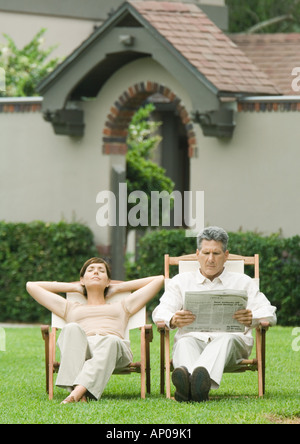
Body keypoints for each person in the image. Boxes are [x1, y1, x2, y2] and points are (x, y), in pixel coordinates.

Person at [152, 226, 277, 402]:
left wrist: (253, 317)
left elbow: (270, 313)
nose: (210, 259)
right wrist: (172, 319)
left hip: (231, 346)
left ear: (226, 255)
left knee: (225, 339)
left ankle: (190, 386)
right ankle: (194, 389)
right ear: (197, 254)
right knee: (184, 342)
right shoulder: (180, 282)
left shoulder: (242, 282)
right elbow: (159, 312)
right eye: (206, 253)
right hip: (195, 340)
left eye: (216, 254)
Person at [27, 257, 164, 404]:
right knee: (71, 328)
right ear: (82, 279)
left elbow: (159, 280)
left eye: (101, 271)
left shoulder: (122, 306)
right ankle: (80, 393)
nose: (96, 272)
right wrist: (73, 287)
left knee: (110, 340)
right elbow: (31, 286)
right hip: (84, 351)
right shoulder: (70, 307)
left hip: (115, 350)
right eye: (90, 270)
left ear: (108, 281)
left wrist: (118, 287)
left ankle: (76, 392)